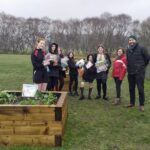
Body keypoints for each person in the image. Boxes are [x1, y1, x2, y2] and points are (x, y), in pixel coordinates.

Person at [126, 35, 150, 111]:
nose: (131, 41)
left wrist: (141, 67)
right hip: (130, 72)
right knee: (131, 88)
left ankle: (141, 105)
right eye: (130, 40)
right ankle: (132, 103)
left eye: (132, 40)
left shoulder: (142, 48)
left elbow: (147, 59)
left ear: (135, 40)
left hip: (139, 73)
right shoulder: (128, 50)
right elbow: (128, 60)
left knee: (140, 88)